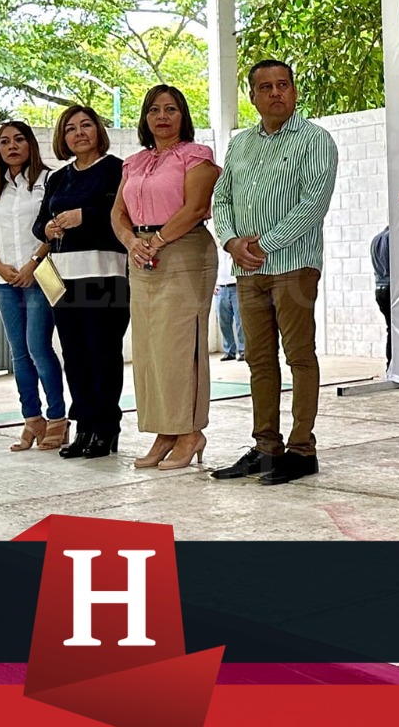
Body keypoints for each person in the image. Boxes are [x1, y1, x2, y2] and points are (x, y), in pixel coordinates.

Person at [210, 60, 338, 486]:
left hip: (294, 267)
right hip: (247, 269)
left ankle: (302, 450)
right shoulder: (240, 144)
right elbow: (222, 198)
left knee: (299, 356)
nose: (276, 93)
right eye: (265, 87)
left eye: (283, 85)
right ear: (252, 96)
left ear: (295, 91)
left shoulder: (315, 140)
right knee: (259, 360)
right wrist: (231, 242)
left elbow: (313, 204)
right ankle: (266, 447)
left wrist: (264, 244)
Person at [111, 86, 221, 472]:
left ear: (183, 115)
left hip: (184, 251)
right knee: (150, 350)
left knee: (180, 347)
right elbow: (118, 213)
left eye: (171, 109)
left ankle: (190, 432)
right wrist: (131, 243)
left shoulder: (196, 156)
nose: (162, 116)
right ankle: (165, 432)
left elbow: (195, 208)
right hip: (142, 256)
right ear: (144, 118)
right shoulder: (134, 163)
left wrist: (155, 240)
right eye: (154, 109)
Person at [33, 104, 130, 459]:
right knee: (74, 356)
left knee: (102, 352)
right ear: (63, 137)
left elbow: (125, 215)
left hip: (105, 274)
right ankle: (84, 426)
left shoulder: (116, 170)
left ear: (98, 131)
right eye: (70, 128)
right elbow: (39, 222)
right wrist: (47, 227)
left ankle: (107, 428)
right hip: (64, 278)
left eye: (86, 125)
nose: (79, 133)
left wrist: (84, 216)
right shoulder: (58, 178)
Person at [0, 121, 67, 451]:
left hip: (44, 275)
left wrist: (32, 265)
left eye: (19, 140)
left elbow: (56, 230)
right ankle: (32, 419)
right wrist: (1, 267)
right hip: (4, 279)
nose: (11, 147)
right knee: (19, 353)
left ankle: (58, 418)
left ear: (30, 144)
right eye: (4, 142)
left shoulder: (50, 180)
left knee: (38, 347)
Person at [216, 250, 246, 361]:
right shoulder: (216, 252)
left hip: (236, 287)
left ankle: (243, 350)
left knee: (240, 321)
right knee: (224, 321)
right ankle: (229, 351)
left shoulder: (235, 250)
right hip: (221, 288)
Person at [371, 226, 391, 366]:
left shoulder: (376, 239)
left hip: (379, 288)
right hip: (392, 288)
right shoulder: (393, 239)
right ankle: (394, 365)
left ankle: (390, 365)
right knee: (397, 331)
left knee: (390, 329)